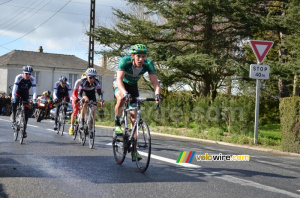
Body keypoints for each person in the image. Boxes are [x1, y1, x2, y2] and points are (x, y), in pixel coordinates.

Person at [113, 44, 162, 160]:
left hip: (133, 86)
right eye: (138, 56)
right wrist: (124, 93)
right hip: (120, 83)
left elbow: (156, 83)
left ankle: (134, 150)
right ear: (133, 56)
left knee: (134, 119)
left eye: (143, 57)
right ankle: (117, 124)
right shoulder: (125, 61)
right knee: (121, 98)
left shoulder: (148, 64)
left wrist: (157, 95)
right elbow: (119, 79)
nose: (141, 59)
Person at [11, 65, 37, 138]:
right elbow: (14, 88)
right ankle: (13, 117)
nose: (28, 75)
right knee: (14, 103)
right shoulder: (19, 77)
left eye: (30, 74)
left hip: (25, 94)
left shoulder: (32, 79)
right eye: (26, 73)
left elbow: (34, 91)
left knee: (26, 112)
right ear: (23, 73)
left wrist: (34, 99)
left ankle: (24, 130)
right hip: (18, 92)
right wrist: (14, 97)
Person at [78, 68, 103, 138]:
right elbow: (79, 94)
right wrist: (81, 99)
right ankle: (82, 121)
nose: (92, 79)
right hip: (84, 95)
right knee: (86, 101)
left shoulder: (96, 82)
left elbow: (99, 93)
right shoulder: (83, 82)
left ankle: (90, 127)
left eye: (94, 77)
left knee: (94, 109)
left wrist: (101, 99)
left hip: (92, 96)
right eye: (90, 77)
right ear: (86, 77)